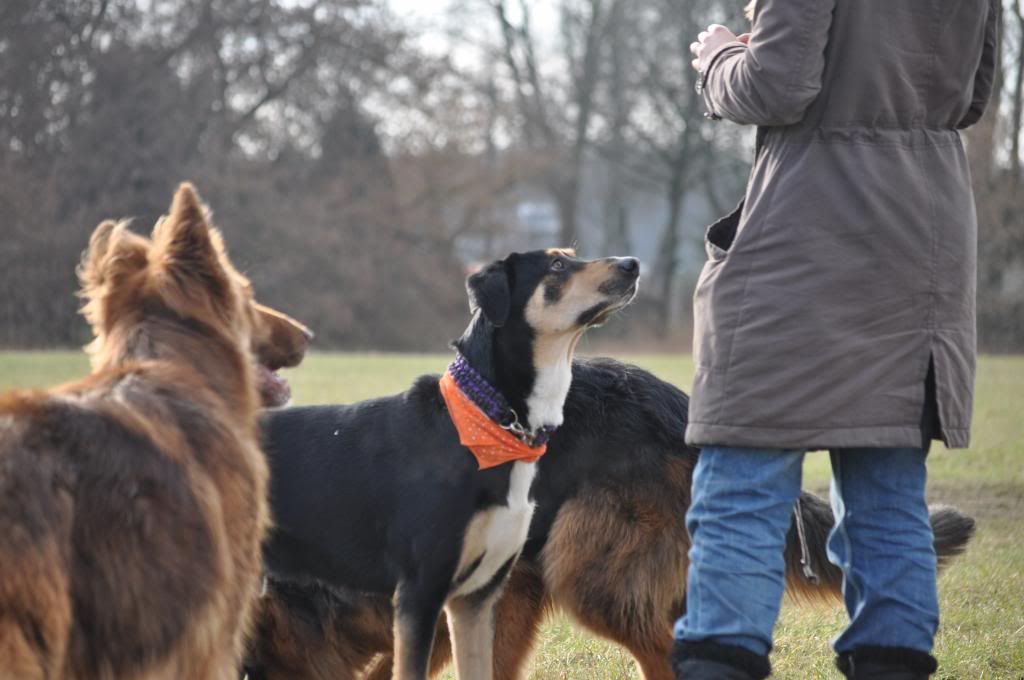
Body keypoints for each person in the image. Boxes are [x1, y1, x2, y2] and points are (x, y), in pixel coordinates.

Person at [673, 0, 999, 678]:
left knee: (742, 484)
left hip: (808, 232)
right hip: (924, 232)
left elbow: (774, 86)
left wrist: (719, 59)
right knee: (888, 493)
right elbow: (973, 93)